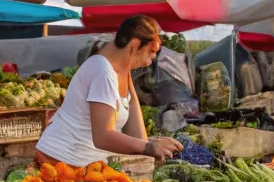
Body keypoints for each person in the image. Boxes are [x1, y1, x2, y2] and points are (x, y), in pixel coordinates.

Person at [36, 15, 183, 166]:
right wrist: (148, 147)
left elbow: (137, 135)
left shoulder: (123, 70)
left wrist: (153, 145)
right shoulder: (103, 71)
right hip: (61, 160)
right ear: (134, 44)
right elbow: (103, 136)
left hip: (88, 163)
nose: (153, 57)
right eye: (151, 51)